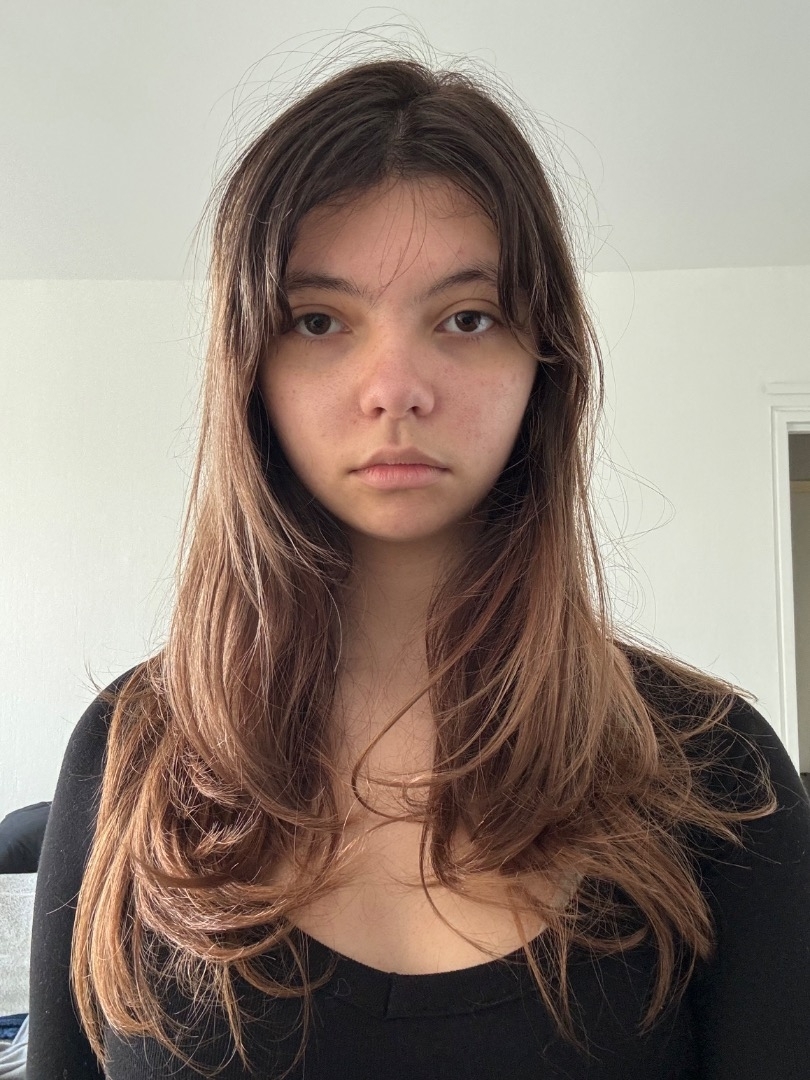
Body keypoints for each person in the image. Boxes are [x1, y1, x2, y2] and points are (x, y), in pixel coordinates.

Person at [27, 53, 810, 1079]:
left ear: (545, 362)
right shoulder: (126, 757)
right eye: (319, 321)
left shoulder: (723, 777)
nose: (394, 386)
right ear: (249, 367)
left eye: (465, 318)